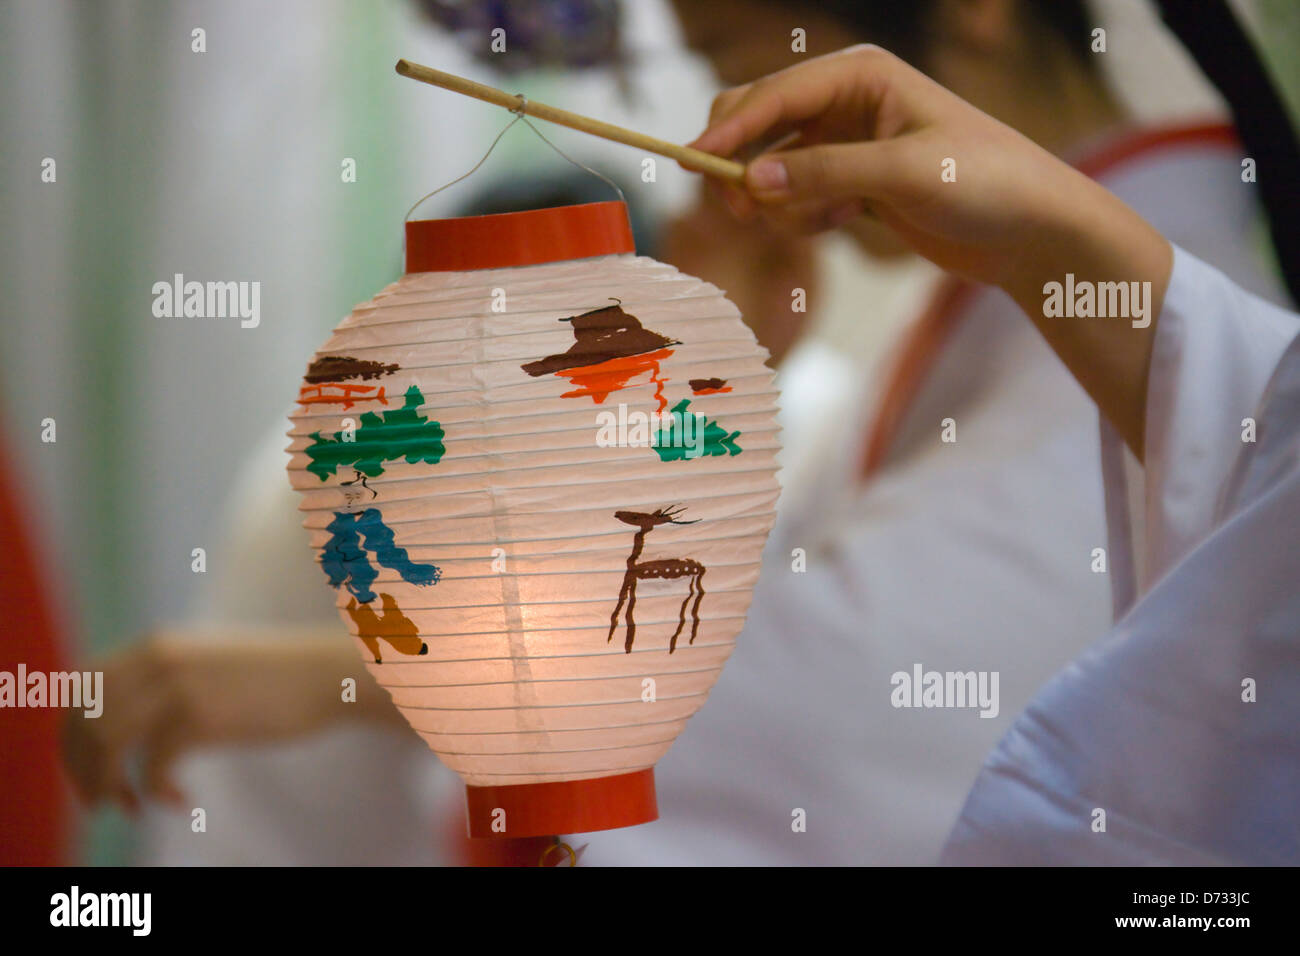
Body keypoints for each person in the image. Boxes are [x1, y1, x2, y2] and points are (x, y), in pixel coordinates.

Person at [679, 43, 1299, 864]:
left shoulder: (1082, 373)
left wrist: (683, 389)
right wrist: (1042, 238)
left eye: (730, 40)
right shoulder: (1002, 300)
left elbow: (778, 736)